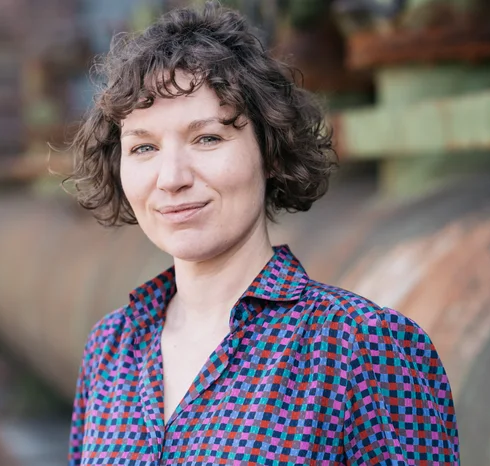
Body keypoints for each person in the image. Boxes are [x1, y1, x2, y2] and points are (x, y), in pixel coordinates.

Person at [66, 2, 459, 464]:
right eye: (144, 147)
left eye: (207, 138)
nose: (171, 177)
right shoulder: (110, 348)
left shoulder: (362, 347)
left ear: (270, 151)